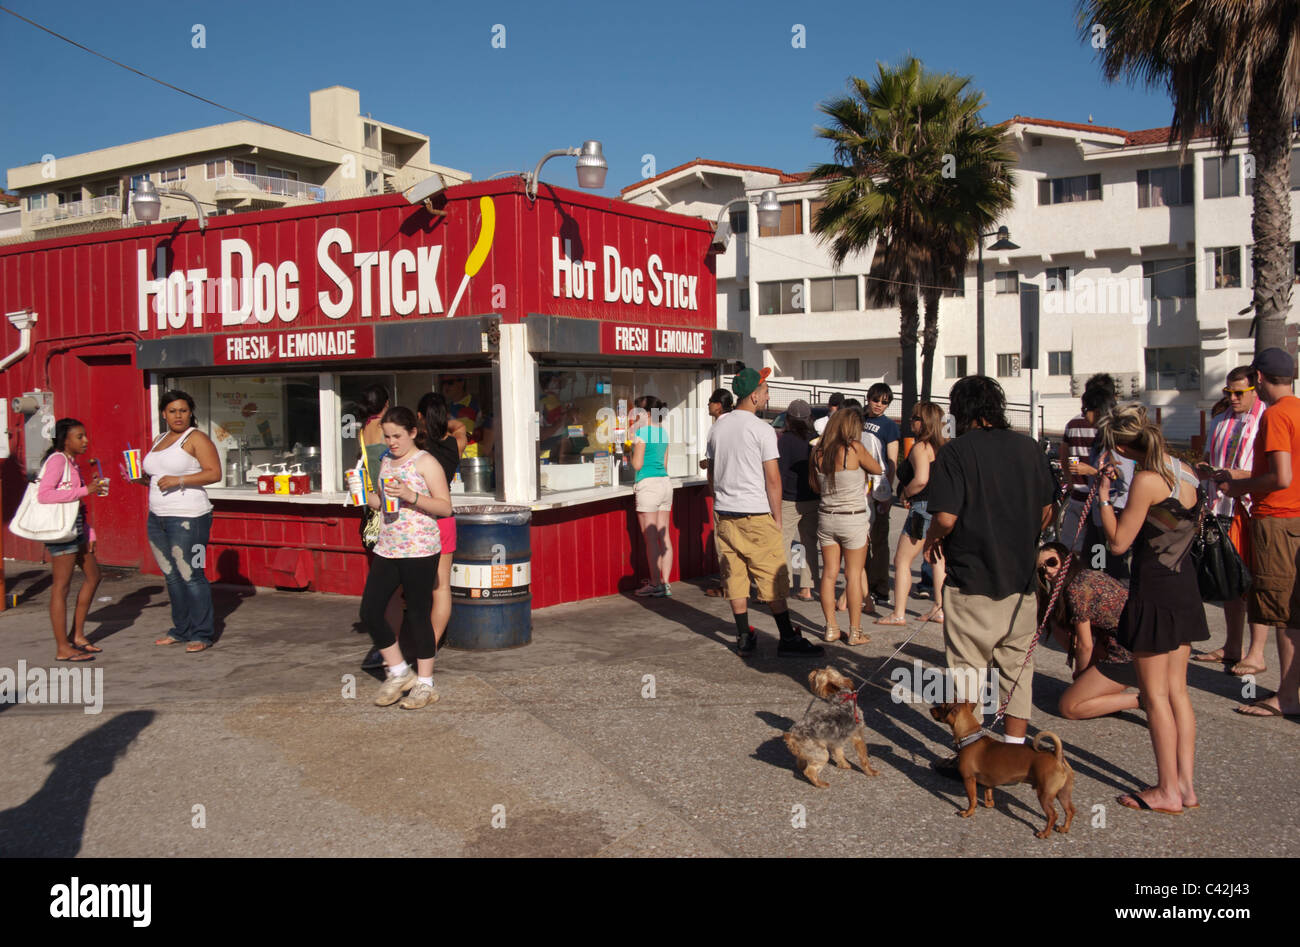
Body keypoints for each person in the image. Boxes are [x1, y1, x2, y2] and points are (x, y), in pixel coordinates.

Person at [924, 376, 1056, 755]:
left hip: (972, 577)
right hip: (1021, 580)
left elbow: (946, 517)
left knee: (968, 669)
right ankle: (1015, 750)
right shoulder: (1030, 448)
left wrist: (933, 538)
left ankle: (973, 753)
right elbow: (1047, 511)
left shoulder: (955, 453)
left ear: (961, 411)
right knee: (1018, 671)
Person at [1096, 404, 1209, 813]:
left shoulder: (1145, 479)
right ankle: (1186, 787)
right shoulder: (1184, 471)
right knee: (1179, 693)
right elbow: (1167, 520)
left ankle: (1166, 791)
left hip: (1154, 592)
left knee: (1155, 696)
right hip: (1184, 587)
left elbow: (1119, 543)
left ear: (1124, 446)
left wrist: (1105, 499)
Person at [706, 366, 823, 657]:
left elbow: (711, 473)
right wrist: (778, 519)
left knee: (735, 575)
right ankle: (787, 636)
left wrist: (719, 499)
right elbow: (773, 479)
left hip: (724, 512)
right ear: (755, 397)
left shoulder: (718, 426)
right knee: (772, 575)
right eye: (766, 391)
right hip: (755, 513)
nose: (769, 396)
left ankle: (744, 635)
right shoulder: (762, 430)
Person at [1215, 348, 1300, 719]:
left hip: (1276, 519)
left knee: (1283, 613)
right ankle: (1289, 692)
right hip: (1294, 519)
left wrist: (1241, 486)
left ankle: (1286, 696)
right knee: (1293, 610)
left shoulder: (1277, 415)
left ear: (1260, 379)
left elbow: (1280, 476)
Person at [359, 406, 453, 709]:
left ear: (413, 432)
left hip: (420, 547)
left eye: (397, 435)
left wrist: (411, 495)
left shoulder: (426, 462)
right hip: (388, 545)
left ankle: (426, 683)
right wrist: (363, 495)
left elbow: (445, 508)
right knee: (370, 611)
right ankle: (400, 672)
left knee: (417, 613)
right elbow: (385, 503)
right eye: (387, 436)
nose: (391, 442)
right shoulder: (386, 460)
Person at [1193, 366, 1270, 676]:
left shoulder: (1267, 418)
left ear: (1255, 389)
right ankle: (1233, 645)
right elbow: (1210, 457)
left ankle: (1257, 652)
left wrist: (1241, 476)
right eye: (1229, 393)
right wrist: (1204, 470)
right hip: (1221, 507)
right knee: (1229, 578)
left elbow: (1274, 470)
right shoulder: (1220, 421)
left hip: (1252, 508)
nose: (1234, 398)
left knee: (1254, 580)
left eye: (1240, 393)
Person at [138, 390, 222, 653]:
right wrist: (138, 479)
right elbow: (156, 476)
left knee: (191, 575)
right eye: (173, 411)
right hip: (157, 517)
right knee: (172, 576)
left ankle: (202, 633)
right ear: (163, 413)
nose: (178, 416)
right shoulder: (159, 439)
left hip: (189, 518)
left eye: (183, 411)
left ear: (190, 413)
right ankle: (180, 630)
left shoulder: (195, 438)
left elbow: (214, 473)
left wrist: (180, 480)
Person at [1035, 543, 1139, 720]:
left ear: (1066, 558)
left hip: (1131, 654)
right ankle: (1103, 697)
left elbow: (1085, 645)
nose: (1048, 572)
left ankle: (1142, 701)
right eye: (1041, 570)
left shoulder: (1077, 589)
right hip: (1126, 644)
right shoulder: (1084, 575)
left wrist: (1080, 677)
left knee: (1069, 707)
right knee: (1054, 620)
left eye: (1052, 562)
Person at [37, 418, 109, 662]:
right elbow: (45, 495)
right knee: (61, 586)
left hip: (76, 527)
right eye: (79, 436)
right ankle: (62, 647)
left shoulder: (71, 462)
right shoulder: (57, 460)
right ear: (64, 440)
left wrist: (89, 531)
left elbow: (77, 503)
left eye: (85, 435)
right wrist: (84, 490)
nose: (85, 440)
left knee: (94, 575)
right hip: (60, 531)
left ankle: (77, 635)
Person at [809, 407, 881, 644]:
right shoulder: (854, 449)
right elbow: (877, 469)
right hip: (852, 518)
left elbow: (815, 487)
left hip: (827, 516)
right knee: (852, 575)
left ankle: (830, 627)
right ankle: (855, 632)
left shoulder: (818, 452)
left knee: (828, 575)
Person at [877, 402, 946, 626]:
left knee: (902, 560)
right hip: (939, 508)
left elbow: (922, 479)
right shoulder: (943, 447)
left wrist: (906, 493)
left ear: (924, 422)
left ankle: (899, 612)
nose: (910, 422)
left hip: (922, 508)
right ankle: (939, 607)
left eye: (914, 418)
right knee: (938, 559)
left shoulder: (920, 448)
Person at [412, 392, 467, 660]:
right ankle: (430, 645)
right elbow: (461, 427)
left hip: (419, 520)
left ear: (420, 417)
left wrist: (425, 424)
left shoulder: (416, 449)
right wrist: (440, 422)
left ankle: (414, 642)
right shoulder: (454, 445)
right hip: (445, 520)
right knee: (441, 586)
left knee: (413, 587)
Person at [357, 383, 391, 670]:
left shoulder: (363, 430)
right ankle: (387, 644)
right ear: (387, 403)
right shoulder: (385, 429)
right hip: (387, 508)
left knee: (380, 572)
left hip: (370, 508)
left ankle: (383, 643)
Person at [630, 395, 674, 597]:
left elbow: (637, 465)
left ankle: (655, 583)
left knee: (651, 540)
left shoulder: (641, 433)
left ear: (647, 414)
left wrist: (630, 450)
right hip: (665, 484)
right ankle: (664, 582)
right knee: (664, 537)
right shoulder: (663, 433)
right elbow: (664, 465)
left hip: (648, 486)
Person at [777, 399, 820, 602]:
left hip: (789, 499)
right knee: (808, 543)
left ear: (789, 419)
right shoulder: (815, 439)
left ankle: (784, 586)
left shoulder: (785, 440)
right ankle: (807, 587)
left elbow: (780, 472)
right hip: (813, 497)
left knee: (784, 543)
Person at [862, 383, 900, 605]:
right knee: (861, 541)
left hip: (879, 488)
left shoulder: (889, 427)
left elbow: (892, 462)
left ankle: (881, 587)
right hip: (859, 487)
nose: (879, 405)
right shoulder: (859, 420)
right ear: (869, 398)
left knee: (879, 540)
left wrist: (888, 493)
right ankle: (863, 584)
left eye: (885, 402)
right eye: (876, 400)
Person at [702, 389, 734, 596]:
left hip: (723, 493)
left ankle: (727, 585)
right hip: (746, 494)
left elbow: (713, 463)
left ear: (719, 405)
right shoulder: (741, 423)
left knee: (724, 544)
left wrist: (712, 489)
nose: (708, 405)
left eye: (710, 402)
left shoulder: (716, 429)